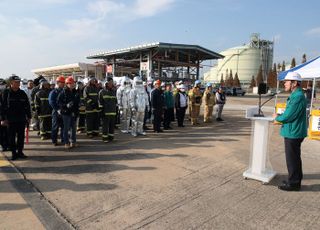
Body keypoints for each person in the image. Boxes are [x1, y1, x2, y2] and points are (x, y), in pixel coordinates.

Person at [273, 72, 307, 191]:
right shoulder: (296, 95)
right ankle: (294, 179)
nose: (284, 84)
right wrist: (281, 115)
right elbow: (291, 113)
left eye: (286, 81)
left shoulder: (297, 96)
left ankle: (294, 183)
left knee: (292, 159)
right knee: (294, 158)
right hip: (293, 130)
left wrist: (277, 118)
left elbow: (289, 116)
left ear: (294, 83)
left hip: (294, 132)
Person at [1, 75, 31, 160]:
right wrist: (3, 119)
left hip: (21, 119)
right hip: (10, 119)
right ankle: (14, 153)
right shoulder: (6, 93)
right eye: (16, 82)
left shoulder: (22, 93)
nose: (18, 84)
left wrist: (29, 116)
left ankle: (20, 152)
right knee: (11, 137)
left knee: (21, 137)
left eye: (18, 82)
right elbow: (2, 106)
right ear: (11, 83)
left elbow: (27, 105)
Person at [57, 77, 80, 149]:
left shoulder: (75, 92)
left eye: (73, 83)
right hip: (66, 113)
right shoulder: (63, 92)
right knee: (66, 128)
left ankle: (73, 142)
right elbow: (58, 102)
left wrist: (80, 104)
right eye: (71, 83)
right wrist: (66, 105)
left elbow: (77, 101)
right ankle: (66, 143)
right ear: (67, 84)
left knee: (73, 128)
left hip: (73, 113)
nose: (73, 84)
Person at [99, 77, 117, 142]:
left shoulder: (114, 91)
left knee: (112, 126)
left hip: (113, 112)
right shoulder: (102, 92)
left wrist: (116, 110)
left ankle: (111, 137)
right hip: (105, 112)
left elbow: (116, 102)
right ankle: (105, 138)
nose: (111, 84)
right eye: (109, 83)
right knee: (105, 126)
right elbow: (100, 102)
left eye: (112, 83)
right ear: (106, 83)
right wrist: (101, 111)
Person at [49, 75, 65, 146]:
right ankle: (54, 140)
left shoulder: (64, 91)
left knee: (64, 127)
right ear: (58, 82)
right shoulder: (53, 92)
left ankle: (63, 139)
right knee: (55, 127)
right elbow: (51, 102)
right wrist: (57, 109)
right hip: (56, 112)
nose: (63, 83)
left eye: (63, 82)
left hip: (63, 111)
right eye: (62, 82)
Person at [0, 78, 9, 152]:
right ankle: (3, 145)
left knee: (8, 132)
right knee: (1, 132)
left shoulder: (8, 92)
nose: (2, 86)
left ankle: (8, 145)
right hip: (1, 116)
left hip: (8, 116)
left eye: (3, 84)